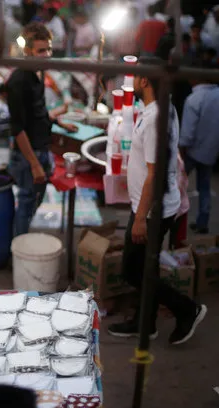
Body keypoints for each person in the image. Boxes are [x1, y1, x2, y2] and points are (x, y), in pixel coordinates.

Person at [108, 57, 206, 345]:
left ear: (145, 81)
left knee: (132, 269)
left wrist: (141, 218)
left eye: (136, 75)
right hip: (151, 206)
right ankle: (145, 324)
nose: (132, 80)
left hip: (152, 210)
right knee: (145, 268)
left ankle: (187, 309)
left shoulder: (155, 119)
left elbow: (155, 173)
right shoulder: (159, 108)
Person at [6, 23, 76, 236]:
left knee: (35, 199)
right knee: (26, 205)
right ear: (27, 52)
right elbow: (18, 129)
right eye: (41, 51)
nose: (46, 55)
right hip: (29, 156)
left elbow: (38, 112)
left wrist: (58, 123)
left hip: (42, 148)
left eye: (48, 49)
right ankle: (18, 250)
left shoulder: (38, 74)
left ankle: (21, 241)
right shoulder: (17, 82)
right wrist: (35, 165)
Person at [179, 70, 219, 235]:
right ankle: (203, 221)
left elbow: (187, 134)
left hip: (193, 151)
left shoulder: (194, 99)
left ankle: (174, 217)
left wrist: (181, 153)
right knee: (204, 186)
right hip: (211, 149)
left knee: (178, 184)